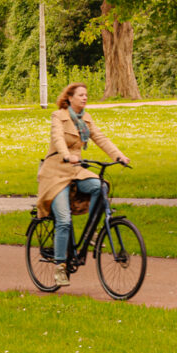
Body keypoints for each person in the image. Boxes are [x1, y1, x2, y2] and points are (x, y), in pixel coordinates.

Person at [36, 82, 130, 288]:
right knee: (63, 220)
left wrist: (119, 156)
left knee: (100, 186)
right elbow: (57, 138)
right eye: (80, 95)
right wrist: (66, 155)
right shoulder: (58, 116)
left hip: (76, 170)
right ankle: (60, 266)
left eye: (86, 95)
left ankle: (92, 233)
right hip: (56, 172)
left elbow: (101, 138)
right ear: (70, 98)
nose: (85, 98)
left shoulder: (86, 119)